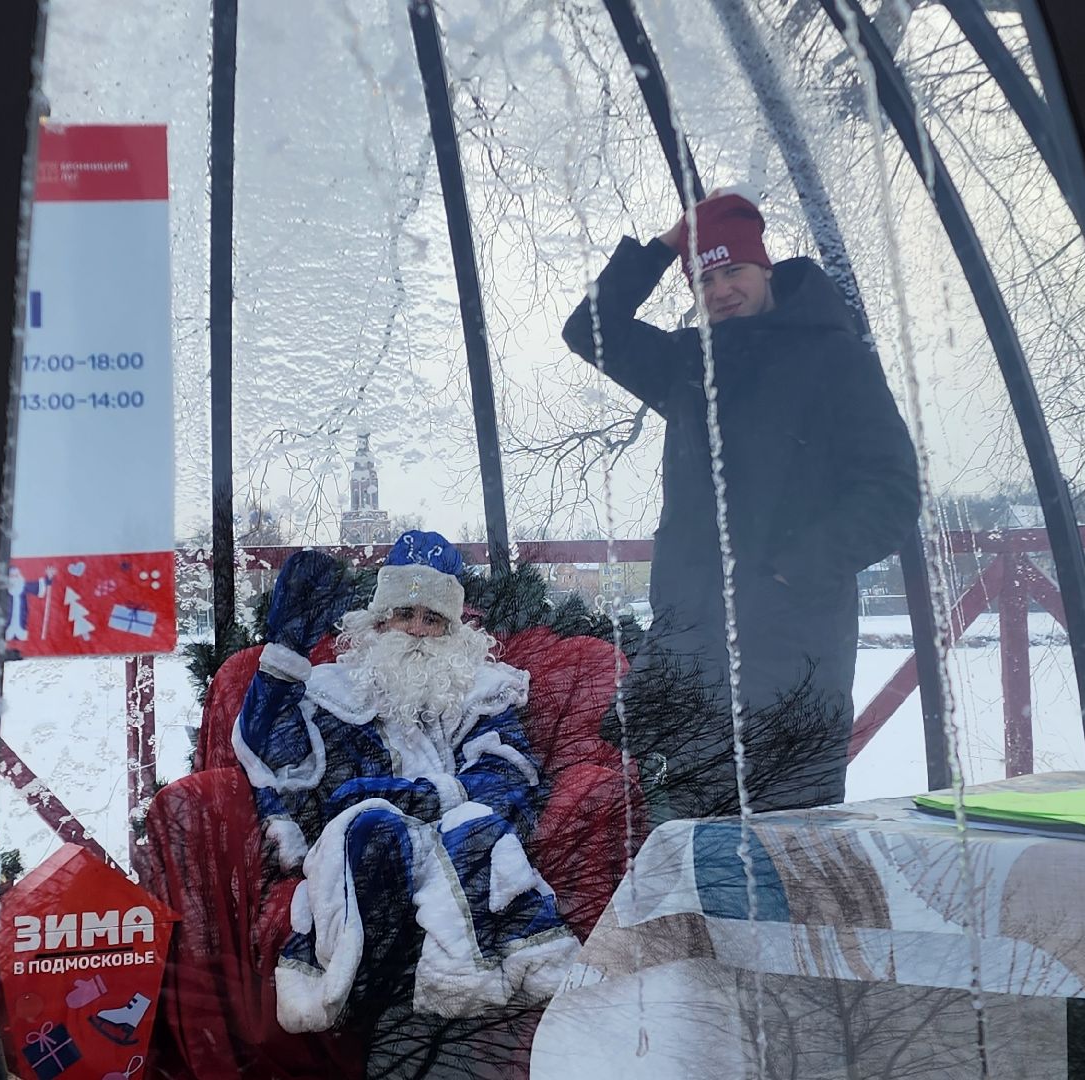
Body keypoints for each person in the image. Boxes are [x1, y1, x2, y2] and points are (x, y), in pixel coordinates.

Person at [563, 192, 920, 817]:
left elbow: (893, 492)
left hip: (791, 640)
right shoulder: (689, 363)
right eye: (706, 277)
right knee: (681, 830)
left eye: (734, 271)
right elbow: (589, 330)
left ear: (766, 270)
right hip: (689, 641)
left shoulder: (833, 356)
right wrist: (662, 249)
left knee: (789, 833)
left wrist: (790, 571)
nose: (722, 290)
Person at [233, 530, 578, 1073]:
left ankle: (436, 1011)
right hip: (367, 839)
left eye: (432, 619)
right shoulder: (334, 690)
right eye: (405, 614)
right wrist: (283, 656)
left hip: (454, 826)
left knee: (471, 825)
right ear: (378, 622)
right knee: (371, 828)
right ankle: (371, 1004)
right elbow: (278, 756)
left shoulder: (483, 690)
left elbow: (507, 775)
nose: (417, 631)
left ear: (455, 629)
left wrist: (430, 796)